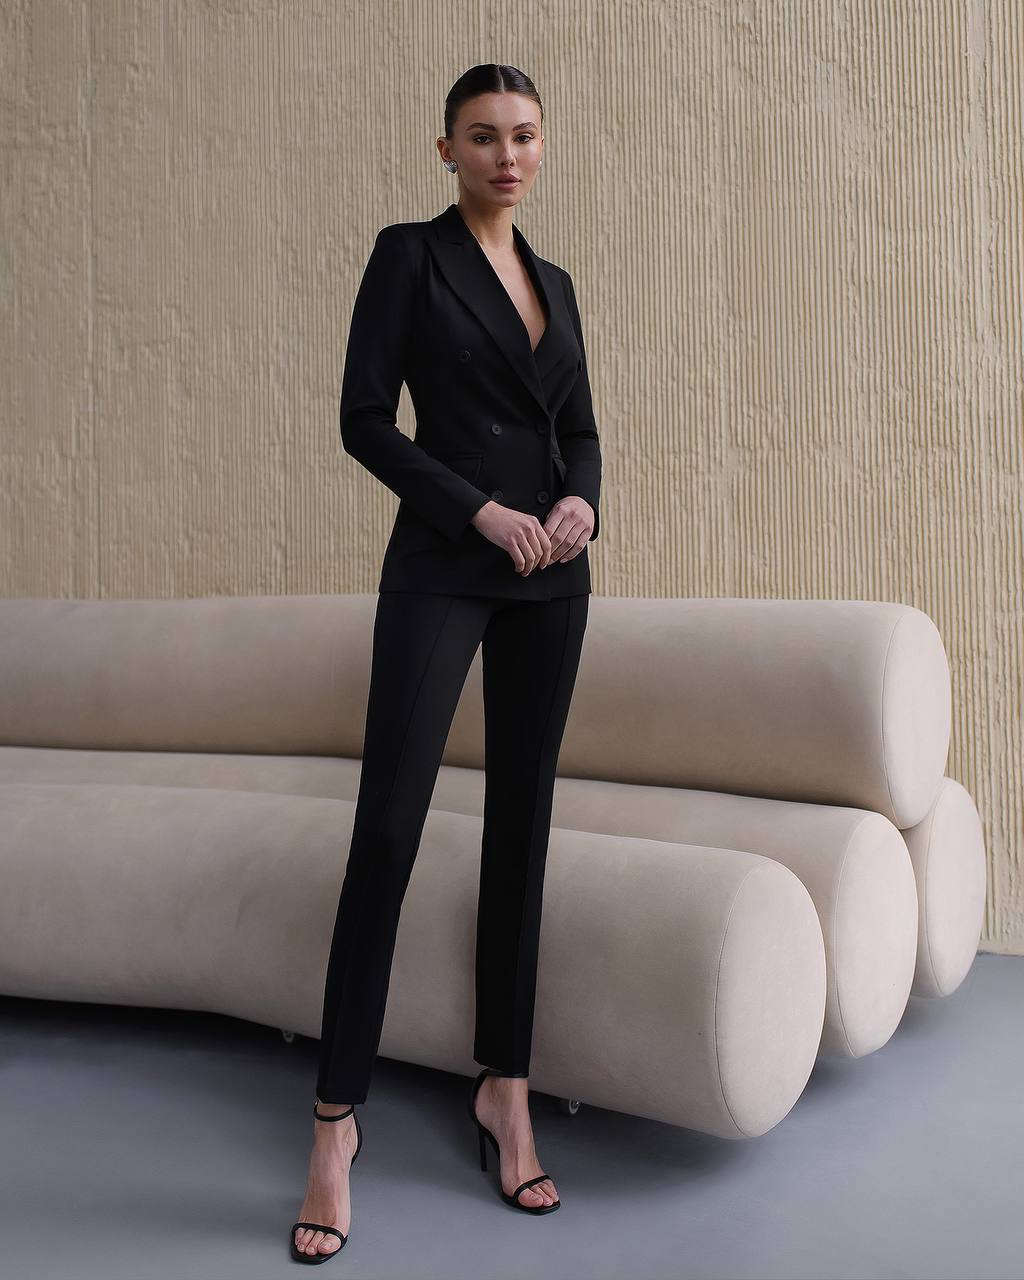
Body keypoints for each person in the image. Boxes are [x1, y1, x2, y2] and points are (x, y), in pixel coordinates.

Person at [291, 62, 602, 1262]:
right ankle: (332, 1120)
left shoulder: (557, 281)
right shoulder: (407, 257)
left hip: (550, 579)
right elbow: (364, 417)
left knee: (522, 829)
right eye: (483, 138)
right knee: (388, 829)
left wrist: (582, 501)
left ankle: (505, 1092)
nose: (507, 156)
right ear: (447, 151)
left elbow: (575, 421)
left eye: (524, 137)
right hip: (446, 561)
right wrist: (477, 511)